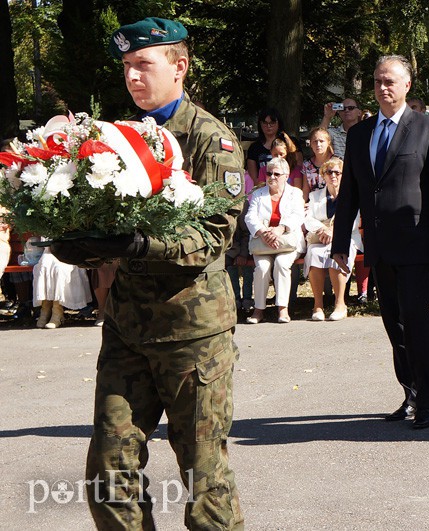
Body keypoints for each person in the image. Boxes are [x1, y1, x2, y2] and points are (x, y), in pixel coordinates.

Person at [50, 17, 245, 528]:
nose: (132, 77)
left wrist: (139, 243)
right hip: (128, 331)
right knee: (109, 475)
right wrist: (82, 247)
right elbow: (104, 227)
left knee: (205, 482)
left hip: (192, 337)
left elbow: (212, 236)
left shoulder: (212, 140)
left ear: (179, 67)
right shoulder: (116, 139)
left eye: (143, 65)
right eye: (126, 68)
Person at [331, 54, 429, 429]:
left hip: (418, 245)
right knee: (393, 323)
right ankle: (410, 392)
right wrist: (342, 243)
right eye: (377, 81)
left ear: (407, 86)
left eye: (390, 81)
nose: (383, 88)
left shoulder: (428, 128)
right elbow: (350, 194)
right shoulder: (360, 133)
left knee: (417, 321)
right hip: (381, 246)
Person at [245, 157, 304, 324]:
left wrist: (279, 229)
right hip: (262, 242)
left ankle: (282, 309)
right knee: (262, 267)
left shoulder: (295, 193)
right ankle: (259, 310)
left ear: (286, 175)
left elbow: (298, 215)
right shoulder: (258, 193)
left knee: (281, 264)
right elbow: (250, 217)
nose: (271, 177)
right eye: (268, 173)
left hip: (287, 242)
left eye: (276, 174)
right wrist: (264, 233)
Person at [304, 157, 361, 321]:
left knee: (337, 252)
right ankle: (318, 306)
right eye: (329, 172)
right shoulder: (315, 196)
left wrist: (334, 232)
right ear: (323, 175)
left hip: (346, 237)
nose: (333, 175)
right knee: (314, 253)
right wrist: (322, 229)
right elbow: (308, 219)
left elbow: (355, 220)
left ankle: (340, 304)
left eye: (337, 172)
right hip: (320, 238)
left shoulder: (351, 195)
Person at [32, 243, 92, 329]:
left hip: (71, 252)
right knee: (44, 264)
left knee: (59, 268)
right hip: (49, 251)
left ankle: (57, 312)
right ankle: (45, 309)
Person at [300, 127, 335, 201]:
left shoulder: (336, 162)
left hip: (332, 203)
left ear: (328, 142)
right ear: (311, 144)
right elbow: (305, 191)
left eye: (321, 141)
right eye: (315, 141)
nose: (318, 144)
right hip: (313, 205)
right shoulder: (307, 165)